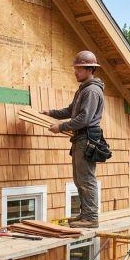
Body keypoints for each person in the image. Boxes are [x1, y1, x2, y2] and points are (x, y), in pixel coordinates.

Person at [41, 50, 104, 228]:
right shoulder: (83, 90)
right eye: (76, 68)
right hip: (80, 139)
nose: (75, 72)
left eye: (79, 69)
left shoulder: (91, 91)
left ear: (90, 69)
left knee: (86, 179)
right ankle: (85, 214)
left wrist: (60, 127)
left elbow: (83, 119)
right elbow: (71, 111)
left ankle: (91, 218)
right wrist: (52, 113)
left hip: (86, 138)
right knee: (79, 178)